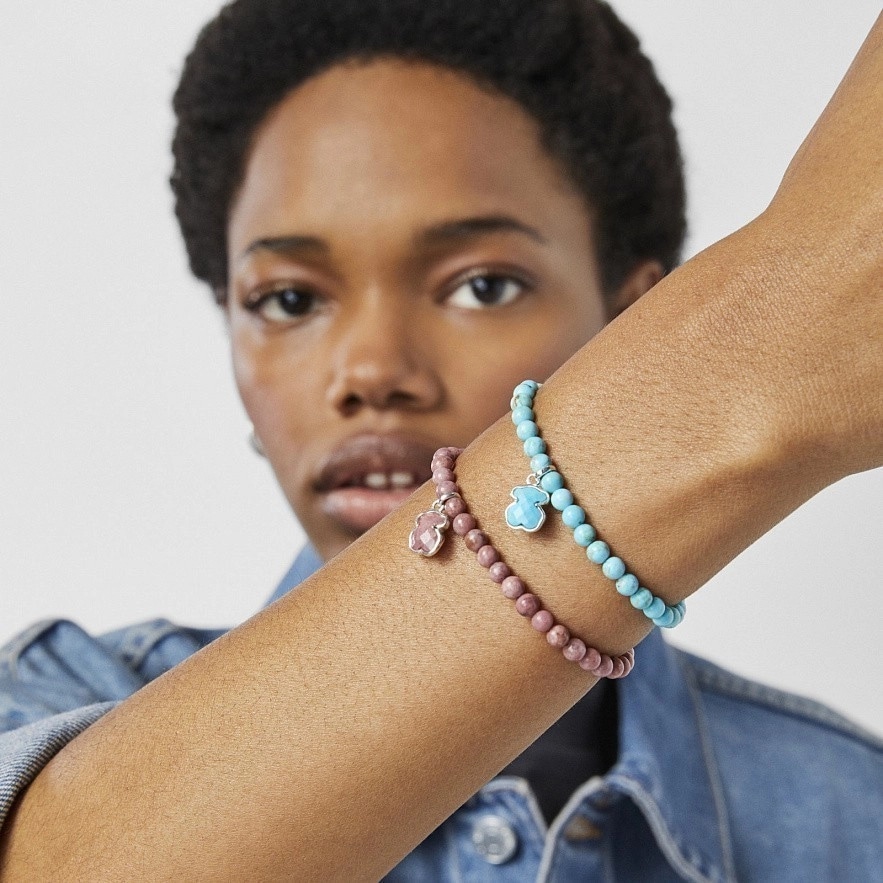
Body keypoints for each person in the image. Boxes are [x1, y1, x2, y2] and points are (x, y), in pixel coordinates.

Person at [1, 0, 881, 879]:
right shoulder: (59, 707)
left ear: (631, 315)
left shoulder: (845, 814)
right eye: (289, 300)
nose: (372, 369)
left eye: (482, 286)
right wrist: (754, 344)